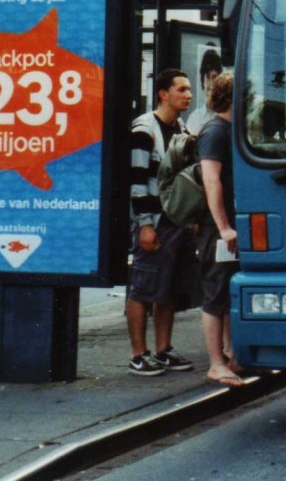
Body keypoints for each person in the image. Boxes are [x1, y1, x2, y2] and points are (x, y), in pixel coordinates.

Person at [126, 69, 197, 377]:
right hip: (154, 221)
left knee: (166, 287)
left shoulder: (180, 127)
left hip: (176, 220)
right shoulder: (145, 129)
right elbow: (137, 179)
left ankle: (163, 349)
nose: (189, 95)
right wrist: (144, 224)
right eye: (181, 89)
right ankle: (138, 355)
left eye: (189, 90)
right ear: (163, 94)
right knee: (142, 287)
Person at [195, 71, 244, 386]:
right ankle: (216, 363)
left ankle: (232, 355)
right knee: (215, 292)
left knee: (227, 288)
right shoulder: (215, 132)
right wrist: (223, 227)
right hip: (218, 228)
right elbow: (211, 181)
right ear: (231, 96)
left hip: (228, 224)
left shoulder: (229, 130)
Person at [186, 48, 223, 134]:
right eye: (207, 77)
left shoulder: (226, 114)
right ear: (203, 81)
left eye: (214, 77)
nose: (211, 84)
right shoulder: (195, 117)